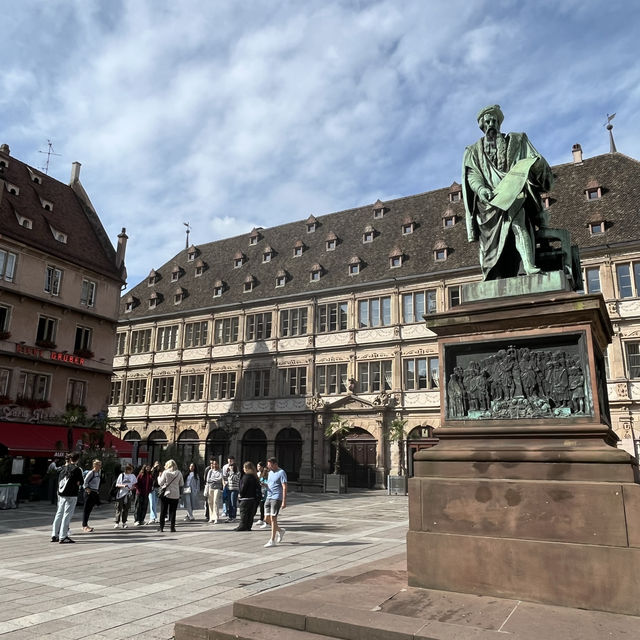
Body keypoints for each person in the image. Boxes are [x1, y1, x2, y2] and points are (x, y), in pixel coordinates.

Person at [462, 104, 554, 281]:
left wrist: (535, 164)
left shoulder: (516, 141)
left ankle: (528, 265)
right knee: (491, 240)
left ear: (499, 123)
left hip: (513, 192)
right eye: (487, 121)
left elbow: (534, 161)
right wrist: (481, 190)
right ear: (482, 125)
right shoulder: (473, 151)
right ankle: (492, 273)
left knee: (517, 222)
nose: (491, 125)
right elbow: (472, 175)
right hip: (488, 201)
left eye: (494, 121)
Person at [50, 452, 83, 544]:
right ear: (77, 459)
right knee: (67, 515)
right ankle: (63, 536)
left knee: (59, 513)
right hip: (71, 495)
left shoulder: (63, 468)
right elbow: (81, 482)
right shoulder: (77, 469)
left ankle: (54, 534)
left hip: (61, 494)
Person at [263, 457, 287, 548]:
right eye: (268, 465)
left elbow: (284, 487)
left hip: (276, 497)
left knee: (273, 519)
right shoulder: (270, 473)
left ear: (275, 464)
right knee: (266, 519)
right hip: (268, 496)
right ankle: (280, 531)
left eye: (270, 465)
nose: (269, 467)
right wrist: (264, 485)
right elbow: (270, 484)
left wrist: (284, 501)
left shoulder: (281, 472)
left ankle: (272, 540)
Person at [158, 459, 184, 532]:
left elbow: (160, 483)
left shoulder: (165, 472)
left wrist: (158, 477)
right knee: (173, 511)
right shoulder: (179, 473)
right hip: (175, 494)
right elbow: (181, 484)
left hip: (166, 494)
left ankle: (161, 527)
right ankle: (172, 527)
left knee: (163, 511)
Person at [235, 462, 261, 531]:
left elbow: (243, 487)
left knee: (243, 513)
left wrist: (240, 494)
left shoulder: (246, 477)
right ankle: (248, 526)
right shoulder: (255, 477)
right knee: (250, 514)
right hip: (253, 499)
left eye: (244, 468)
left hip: (245, 498)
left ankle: (242, 526)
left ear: (247, 469)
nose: (243, 469)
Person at [113, 464, 137, 529]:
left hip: (128, 493)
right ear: (127, 469)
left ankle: (124, 522)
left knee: (126, 508)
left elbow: (134, 484)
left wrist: (132, 487)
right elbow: (117, 484)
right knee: (119, 508)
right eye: (130, 469)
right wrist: (123, 486)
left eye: (132, 469)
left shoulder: (133, 476)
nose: (131, 471)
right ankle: (117, 522)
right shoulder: (122, 475)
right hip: (121, 493)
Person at [81, 459, 102, 532]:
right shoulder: (91, 473)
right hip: (89, 493)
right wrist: (87, 489)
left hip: (95, 492)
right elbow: (85, 482)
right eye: (98, 465)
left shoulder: (98, 473)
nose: (100, 466)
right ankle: (84, 526)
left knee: (89, 510)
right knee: (86, 509)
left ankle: (86, 524)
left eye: (100, 465)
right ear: (94, 465)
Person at [204, 459, 223, 523]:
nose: (214, 465)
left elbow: (220, 479)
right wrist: (214, 480)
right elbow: (208, 479)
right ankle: (211, 517)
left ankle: (216, 517)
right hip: (210, 488)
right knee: (210, 502)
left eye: (216, 464)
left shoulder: (220, 471)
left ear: (218, 464)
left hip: (217, 488)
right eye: (213, 464)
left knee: (215, 502)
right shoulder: (210, 471)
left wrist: (213, 480)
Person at [255, 461, 269, 528]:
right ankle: (261, 518)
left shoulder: (266, 474)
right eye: (257, 466)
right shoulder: (258, 474)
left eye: (259, 466)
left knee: (266, 507)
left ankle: (266, 521)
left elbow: (268, 484)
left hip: (266, 492)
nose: (258, 468)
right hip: (260, 492)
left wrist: (263, 484)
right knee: (261, 506)